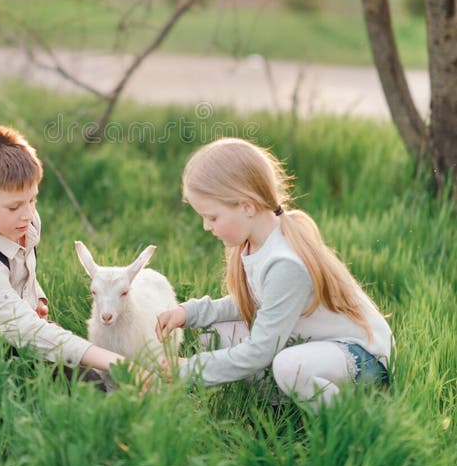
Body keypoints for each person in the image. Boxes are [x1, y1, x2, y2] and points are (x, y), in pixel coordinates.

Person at [156, 137, 393, 410]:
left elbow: (259, 351)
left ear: (246, 206)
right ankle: (281, 400)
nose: (206, 227)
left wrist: (190, 371)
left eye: (212, 217)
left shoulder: (285, 263)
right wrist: (190, 313)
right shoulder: (255, 242)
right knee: (215, 336)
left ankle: (350, 421)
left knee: (287, 366)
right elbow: (257, 301)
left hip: (361, 359)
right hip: (315, 347)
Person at [0, 124, 132, 387]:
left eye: (33, 200)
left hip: (17, 326)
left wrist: (34, 298)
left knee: (96, 382)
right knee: (82, 386)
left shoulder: (24, 222)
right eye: (14, 206)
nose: (28, 213)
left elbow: (22, 270)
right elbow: (26, 330)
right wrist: (115, 360)